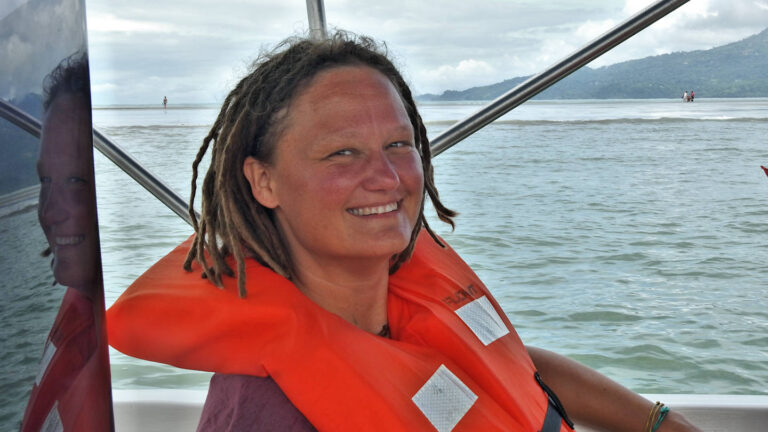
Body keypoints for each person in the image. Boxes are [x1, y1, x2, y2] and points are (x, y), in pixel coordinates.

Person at [107, 32, 700, 431]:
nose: (387, 177)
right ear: (264, 182)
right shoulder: (267, 412)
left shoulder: (406, 307)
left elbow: (514, 369)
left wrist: (662, 424)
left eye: (399, 144)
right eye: (341, 153)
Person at [22, 54, 113, 431]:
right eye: (45, 181)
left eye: (76, 180)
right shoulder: (80, 308)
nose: (49, 212)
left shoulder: (127, 373)